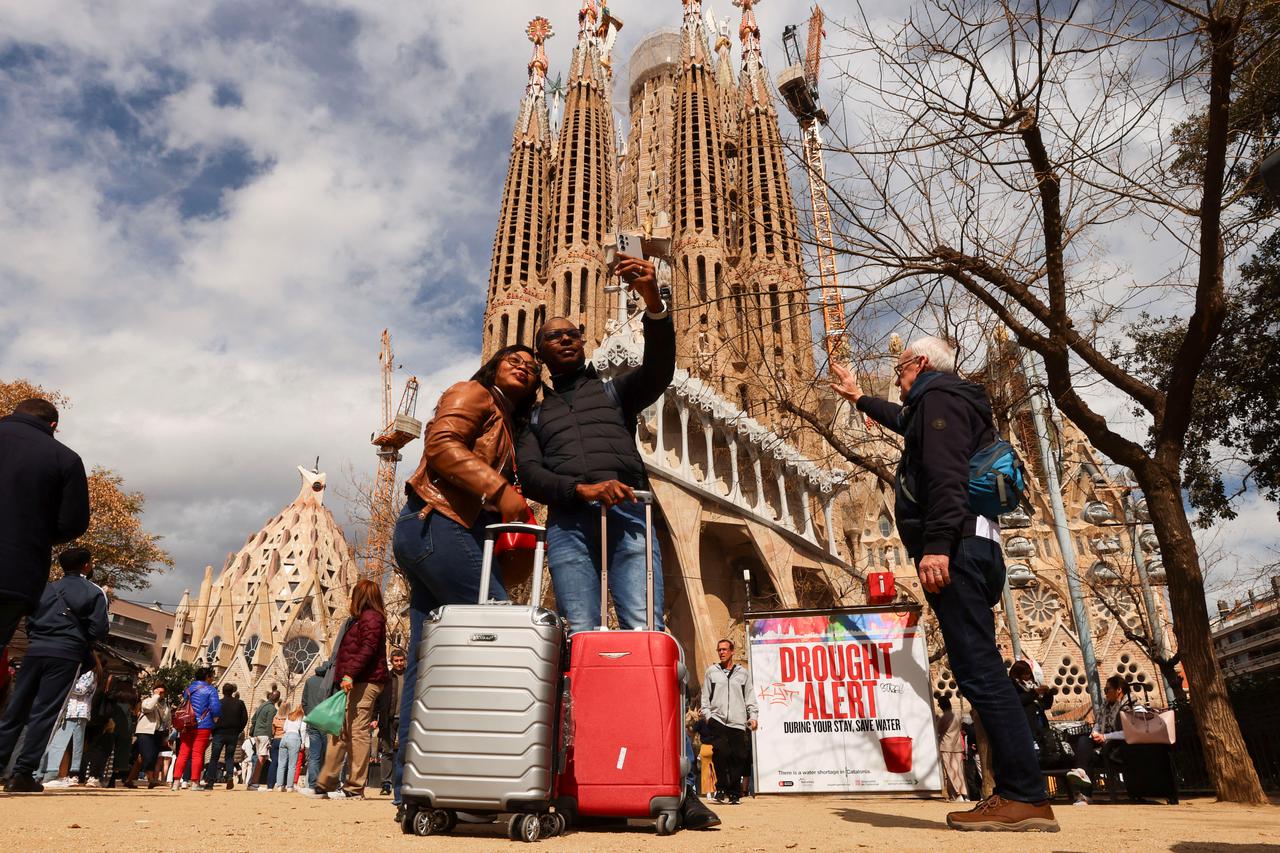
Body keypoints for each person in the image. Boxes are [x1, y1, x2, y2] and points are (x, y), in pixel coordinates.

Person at [832, 338, 1058, 832]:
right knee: (978, 668)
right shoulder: (943, 401)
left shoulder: (940, 399)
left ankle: (1024, 794)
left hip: (957, 549)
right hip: (973, 546)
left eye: (899, 368)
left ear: (921, 363)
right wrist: (858, 398)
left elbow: (945, 474)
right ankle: (1019, 793)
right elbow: (908, 426)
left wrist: (936, 545)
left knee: (980, 672)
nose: (895, 377)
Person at [390, 343, 541, 816]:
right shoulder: (473, 393)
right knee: (499, 640)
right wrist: (499, 490)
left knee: (427, 665)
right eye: (514, 359)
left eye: (533, 368)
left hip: (433, 533)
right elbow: (439, 446)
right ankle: (483, 782)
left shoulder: (506, 422)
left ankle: (413, 790)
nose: (525, 366)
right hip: (439, 526)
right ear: (493, 366)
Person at [515, 255, 674, 635]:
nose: (567, 339)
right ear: (541, 355)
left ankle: (646, 693)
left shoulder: (613, 393)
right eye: (555, 336)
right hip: (568, 523)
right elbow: (532, 476)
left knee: (643, 625)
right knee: (582, 631)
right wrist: (581, 490)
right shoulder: (533, 417)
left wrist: (653, 303)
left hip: (628, 511)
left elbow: (657, 370)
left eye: (573, 334)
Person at [0, 546, 108, 792]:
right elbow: (99, 630)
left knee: (15, 708)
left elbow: (29, 619)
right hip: (67, 655)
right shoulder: (95, 592)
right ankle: (23, 773)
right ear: (87, 566)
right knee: (46, 713)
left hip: (35, 649)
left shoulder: (45, 588)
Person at [0, 398, 91, 651]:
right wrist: (34, 534)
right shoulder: (67, 459)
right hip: (14, 575)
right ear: (53, 425)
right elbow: (72, 524)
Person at [314, 579, 388, 800]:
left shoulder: (372, 618)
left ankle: (354, 786)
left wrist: (350, 674)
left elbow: (368, 649)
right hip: (356, 681)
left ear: (361, 596)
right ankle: (325, 783)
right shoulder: (360, 620)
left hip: (366, 681)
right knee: (340, 729)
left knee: (357, 731)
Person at [700, 639, 757, 805]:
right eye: (719, 650)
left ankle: (734, 793)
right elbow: (705, 697)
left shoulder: (743, 673)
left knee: (738, 756)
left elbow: (750, 697)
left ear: (732, 651)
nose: (721, 652)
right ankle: (722, 788)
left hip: (738, 721)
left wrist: (752, 716)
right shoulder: (712, 672)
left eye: (725, 649)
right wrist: (708, 716)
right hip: (717, 719)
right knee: (721, 752)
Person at [1067, 675, 1139, 803]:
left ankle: (1085, 793)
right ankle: (1082, 774)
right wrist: (1095, 733)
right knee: (1084, 742)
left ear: (1119, 690)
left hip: (1120, 747)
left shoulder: (1131, 706)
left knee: (1088, 755)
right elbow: (1098, 724)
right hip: (1103, 745)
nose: (1105, 693)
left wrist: (1105, 737)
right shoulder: (1105, 706)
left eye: (1107, 690)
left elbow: (1130, 732)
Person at [40, 665, 97, 787]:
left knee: (68, 744)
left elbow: (81, 690)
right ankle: (56, 773)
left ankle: (65, 774)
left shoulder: (88, 673)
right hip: (68, 711)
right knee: (63, 743)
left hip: (77, 712)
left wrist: (64, 682)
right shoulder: (80, 672)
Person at [171, 666, 221, 791]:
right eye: (211, 676)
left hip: (187, 724)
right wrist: (215, 719)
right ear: (207, 677)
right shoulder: (211, 690)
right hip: (203, 725)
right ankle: (195, 782)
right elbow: (215, 708)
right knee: (197, 753)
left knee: (183, 752)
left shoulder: (188, 689)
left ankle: (176, 782)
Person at [203, 683, 247, 790]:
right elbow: (244, 719)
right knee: (229, 757)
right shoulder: (240, 703)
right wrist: (238, 730)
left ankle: (210, 782)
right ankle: (230, 776)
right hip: (233, 734)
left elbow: (211, 718)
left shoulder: (218, 703)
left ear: (223, 692)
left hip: (219, 733)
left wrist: (213, 730)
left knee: (214, 758)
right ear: (232, 692)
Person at [378, 648, 406, 796]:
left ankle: (403, 783)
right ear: (392, 662)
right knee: (387, 751)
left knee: (405, 751)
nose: (399, 663)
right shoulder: (386, 678)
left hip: (406, 718)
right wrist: (374, 719)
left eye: (401, 660)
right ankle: (386, 784)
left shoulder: (411, 676)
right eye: (396, 661)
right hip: (388, 718)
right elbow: (378, 698)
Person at [132, 683, 171, 788]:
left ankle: (129, 779)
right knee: (148, 756)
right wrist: (156, 696)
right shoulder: (148, 701)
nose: (161, 694)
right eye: (159, 692)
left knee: (145, 758)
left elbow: (167, 721)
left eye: (163, 692)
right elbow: (147, 708)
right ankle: (151, 779)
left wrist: (166, 737)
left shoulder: (166, 706)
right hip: (145, 731)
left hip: (157, 734)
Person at [301, 662, 331, 792]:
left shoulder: (309, 681)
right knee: (325, 754)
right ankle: (322, 783)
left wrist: (310, 714)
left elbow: (304, 702)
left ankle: (312, 784)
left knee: (314, 755)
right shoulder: (329, 682)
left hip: (313, 721)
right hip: (326, 721)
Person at [246, 687, 279, 790]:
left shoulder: (262, 705)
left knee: (259, 757)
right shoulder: (272, 709)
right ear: (277, 700)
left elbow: (253, 719)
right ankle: (254, 783)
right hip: (264, 734)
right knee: (261, 758)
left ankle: (252, 781)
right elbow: (270, 723)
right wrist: (271, 737)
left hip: (257, 733)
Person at [935, 696, 968, 802]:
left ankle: (958, 794)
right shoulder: (958, 715)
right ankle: (961, 794)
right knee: (959, 771)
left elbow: (938, 730)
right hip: (957, 745)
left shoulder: (943, 717)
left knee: (951, 771)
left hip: (946, 746)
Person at [276, 705, 305, 792]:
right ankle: (289, 786)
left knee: (281, 764)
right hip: (294, 737)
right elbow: (303, 729)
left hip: (285, 737)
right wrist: (303, 742)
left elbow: (284, 728)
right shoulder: (302, 717)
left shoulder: (289, 715)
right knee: (292, 765)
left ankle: (279, 786)